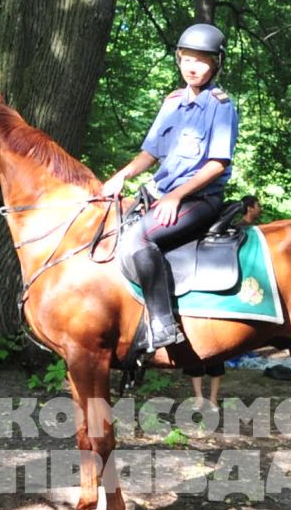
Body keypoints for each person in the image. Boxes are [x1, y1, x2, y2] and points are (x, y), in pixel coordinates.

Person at [101, 21, 239, 356]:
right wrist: (122, 176)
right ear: (178, 59)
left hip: (199, 198)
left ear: (216, 63)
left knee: (140, 239)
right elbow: (151, 152)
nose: (194, 66)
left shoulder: (221, 106)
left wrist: (177, 196)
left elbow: (217, 164)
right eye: (188, 59)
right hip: (161, 193)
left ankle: (163, 325)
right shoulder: (173, 102)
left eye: (202, 60)